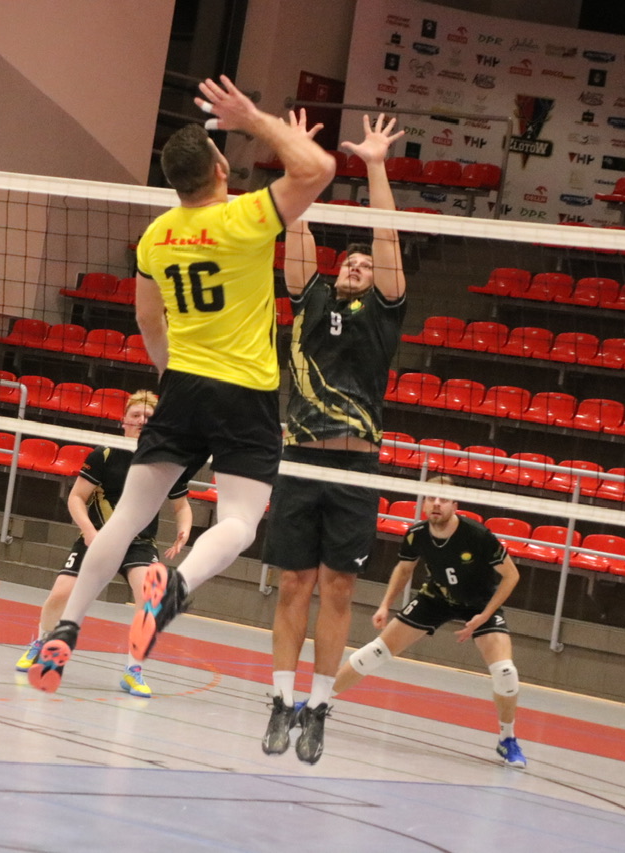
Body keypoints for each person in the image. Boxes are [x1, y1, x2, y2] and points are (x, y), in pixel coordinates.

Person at [24, 75, 335, 694]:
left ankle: (65, 627)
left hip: (184, 385)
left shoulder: (156, 236)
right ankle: (177, 587)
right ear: (220, 168)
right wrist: (256, 120)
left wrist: (171, 374)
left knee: (127, 518)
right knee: (241, 520)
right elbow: (319, 168)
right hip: (245, 391)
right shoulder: (246, 216)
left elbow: (147, 320)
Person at [260, 113, 408, 764]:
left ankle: (318, 707)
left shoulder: (384, 312)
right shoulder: (310, 298)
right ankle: (280, 699)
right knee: (294, 582)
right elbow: (295, 222)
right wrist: (299, 154)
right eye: (348, 261)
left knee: (339, 589)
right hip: (300, 459)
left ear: (376, 279)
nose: (356, 266)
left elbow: (387, 235)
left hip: (356, 467)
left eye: (365, 265)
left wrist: (374, 164)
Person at [332, 476, 527, 768]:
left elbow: (512, 575)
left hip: (479, 604)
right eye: (431, 498)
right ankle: (317, 703)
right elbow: (404, 569)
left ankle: (507, 739)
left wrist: (484, 616)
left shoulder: (477, 535)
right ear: (424, 503)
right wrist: (385, 605)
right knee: (375, 651)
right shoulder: (417, 534)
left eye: (444, 499)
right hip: (436, 597)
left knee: (505, 671)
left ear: (455, 504)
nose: (437, 503)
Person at [15, 391, 193, 697]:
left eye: (148, 417)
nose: (141, 421)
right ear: (124, 421)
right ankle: (43, 642)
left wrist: (184, 529)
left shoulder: (166, 462)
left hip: (139, 543)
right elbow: (76, 497)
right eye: (136, 415)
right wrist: (88, 530)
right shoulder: (105, 455)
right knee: (61, 593)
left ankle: (134, 670)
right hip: (98, 536)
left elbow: (182, 506)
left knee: (149, 601)